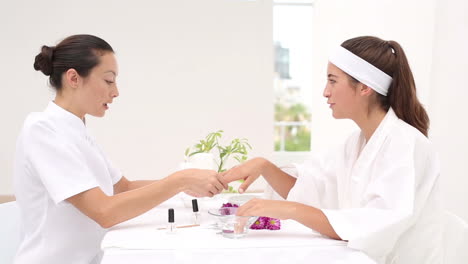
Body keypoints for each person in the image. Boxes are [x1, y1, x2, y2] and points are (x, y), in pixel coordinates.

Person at [220, 36, 442, 264]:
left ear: (365, 86)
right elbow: (311, 192)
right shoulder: (356, 144)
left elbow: (374, 226)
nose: (325, 92)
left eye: (333, 81)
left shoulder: (404, 144)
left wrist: (288, 210)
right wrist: (264, 166)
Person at [13, 34, 226, 264]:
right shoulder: (43, 130)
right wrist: (180, 180)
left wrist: (188, 186)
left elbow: (123, 188)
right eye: (108, 80)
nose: (115, 92)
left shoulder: (77, 130)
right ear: (73, 78)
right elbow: (104, 212)